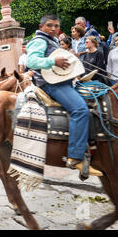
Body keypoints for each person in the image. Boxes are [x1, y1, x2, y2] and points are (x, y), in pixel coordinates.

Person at [26, 14, 102, 177]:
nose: (53, 28)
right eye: (49, 26)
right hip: (52, 85)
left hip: (63, 82)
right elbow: (31, 61)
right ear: (41, 27)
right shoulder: (40, 40)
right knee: (80, 110)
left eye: (56, 26)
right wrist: (54, 62)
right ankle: (75, 158)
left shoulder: (52, 40)